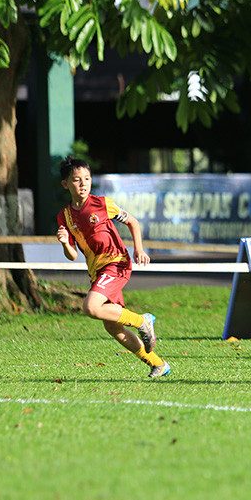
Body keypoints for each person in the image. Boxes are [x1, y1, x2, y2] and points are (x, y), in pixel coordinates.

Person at [55, 156, 169, 378]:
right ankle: (158, 364)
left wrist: (138, 249)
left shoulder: (102, 203)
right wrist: (64, 242)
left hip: (116, 263)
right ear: (66, 184)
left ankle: (142, 320)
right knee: (113, 327)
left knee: (90, 307)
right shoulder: (65, 216)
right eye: (77, 180)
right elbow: (71, 255)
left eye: (87, 178)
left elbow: (132, 222)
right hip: (97, 272)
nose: (83, 183)